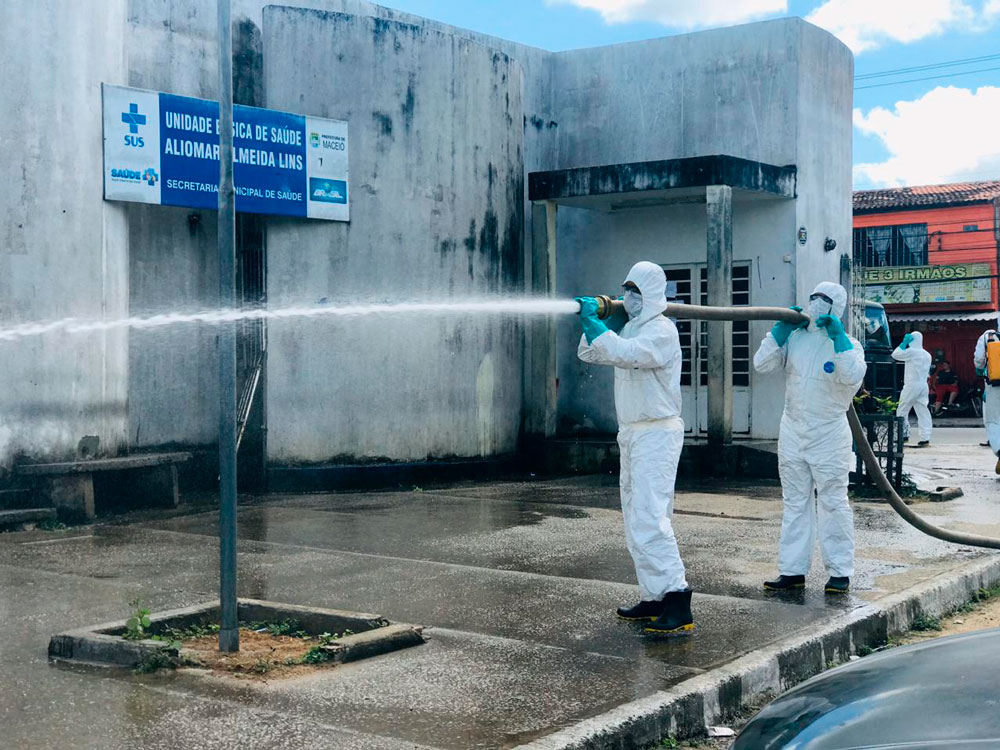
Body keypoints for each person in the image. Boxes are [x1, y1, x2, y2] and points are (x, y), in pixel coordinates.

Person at [575, 261, 694, 636]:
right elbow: (591, 353)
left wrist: (598, 326)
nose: (628, 297)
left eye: (635, 291)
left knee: (651, 519)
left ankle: (677, 600)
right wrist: (604, 325)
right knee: (634, 519)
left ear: (652, 294)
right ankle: (654, 596)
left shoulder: (662, 331)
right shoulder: (630, 328)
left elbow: (627, 354)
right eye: (625, 289)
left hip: (657, 433)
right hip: (632, 433)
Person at [753, 281, 867, 594]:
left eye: (824, 299)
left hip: (828, 433)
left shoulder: (850, 345)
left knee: (832, 501)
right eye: (813, 296)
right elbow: (761, 364)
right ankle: (791, 571)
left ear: (837, 307)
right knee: (794, 502)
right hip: (793, 429)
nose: (816, 303)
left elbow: (852, 377)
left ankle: (840, 571)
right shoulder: (796, 338)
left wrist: (839, 338)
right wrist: (779, 331)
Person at [892, 331, 933, 446]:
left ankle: (903, 435)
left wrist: (903, 343)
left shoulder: (911, 352)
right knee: (923, 411)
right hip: (923, 384)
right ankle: (925, 437)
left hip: (912, 384)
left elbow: (895, 354)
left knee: (902, 409)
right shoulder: (927, 354)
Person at [973, 317, 1000, 474]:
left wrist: (980, 369)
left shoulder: (988, 335)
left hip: (995, 385)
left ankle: (999, 451)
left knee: (994, 421)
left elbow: (979, 360)